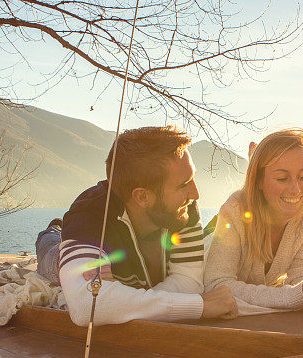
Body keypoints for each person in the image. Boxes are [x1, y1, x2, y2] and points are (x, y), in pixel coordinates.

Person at [35, 126, 237, 326]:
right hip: (59, 255)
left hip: (115, 262)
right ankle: (54, 231)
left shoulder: (183, 208)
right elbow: (88, 305)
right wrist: (199, 306)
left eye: (192, 178)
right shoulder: (90, 215)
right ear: (142, 196)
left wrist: (123, 298)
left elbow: (189, 282)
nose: (195, 194)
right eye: (183, 184)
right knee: (51, 251)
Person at [204, 128, 303, 310]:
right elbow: (217, 285)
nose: (296, 190)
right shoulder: (234, 210)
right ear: (257, 180)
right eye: (282, 178)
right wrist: (295, 294)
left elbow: (302, 271)